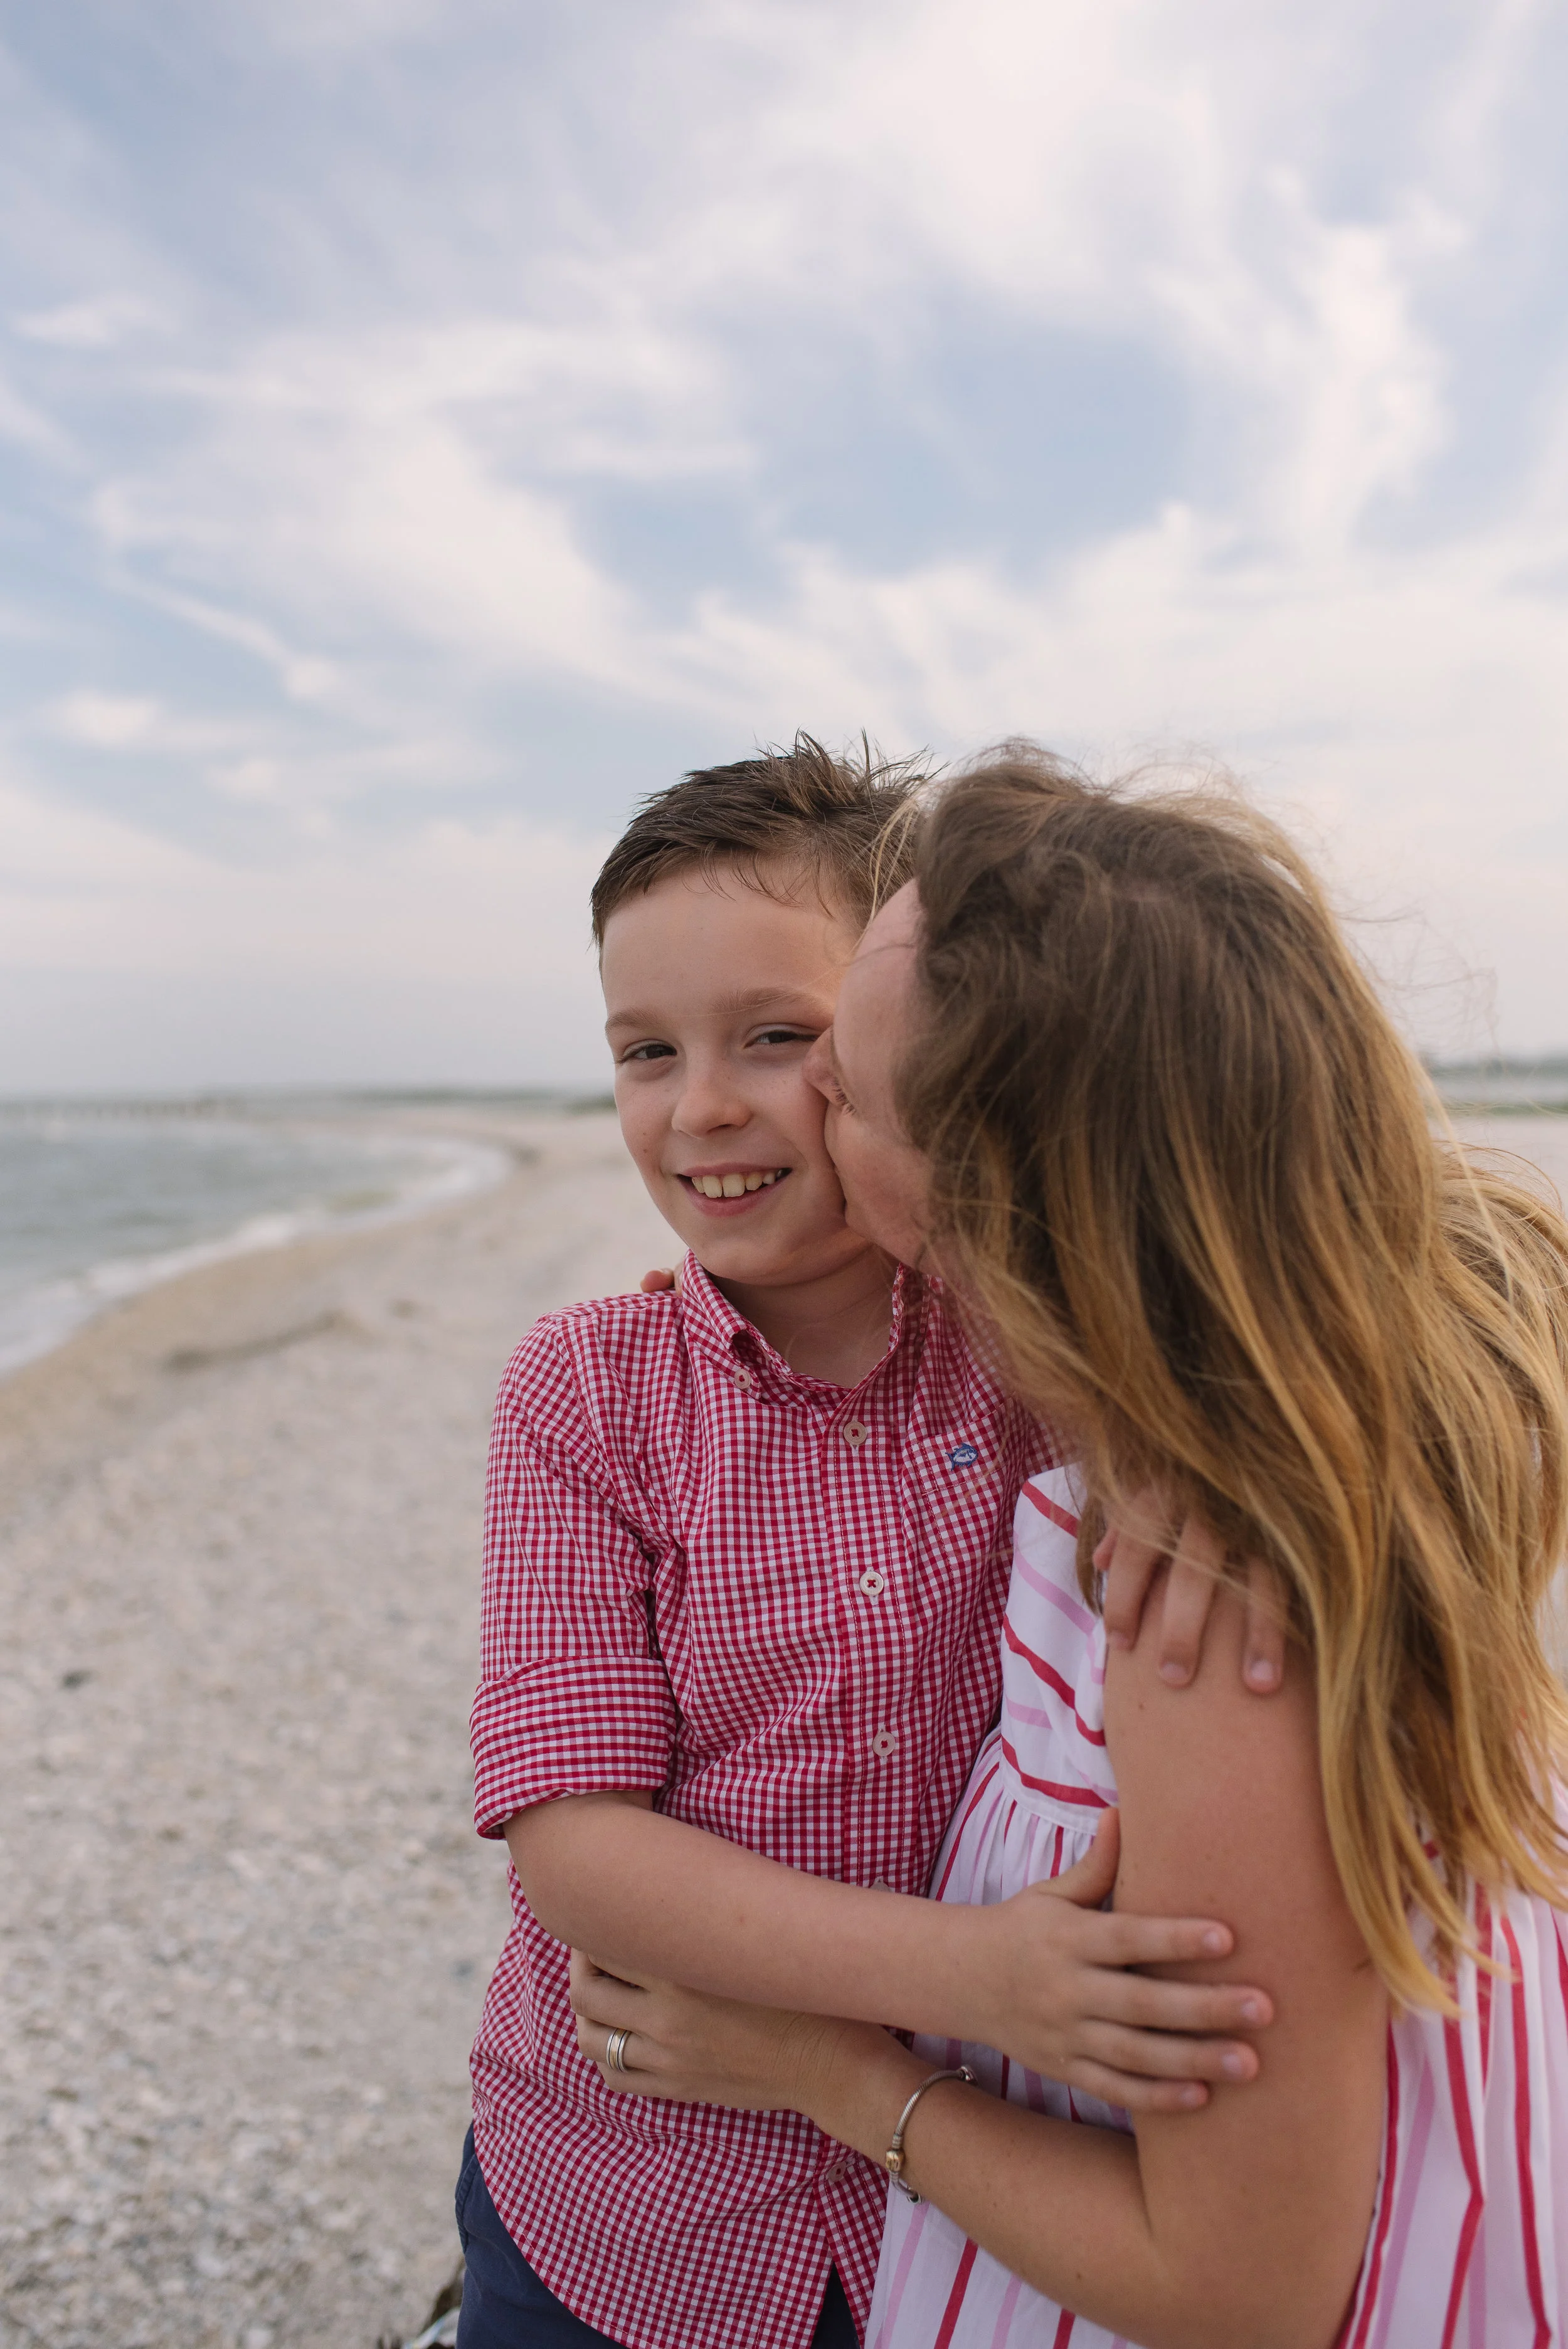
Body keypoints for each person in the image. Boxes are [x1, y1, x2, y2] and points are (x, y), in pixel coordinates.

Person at [571, 747, 1568, 2348]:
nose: (775, 1108)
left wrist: (826, 2068)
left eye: (836, 1079)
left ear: (990, 1202)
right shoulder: (1199, 1439)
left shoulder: (1205, 1617)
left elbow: (1236, 2288)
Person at [458, 741, 1279, 2349]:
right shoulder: (586, 1391)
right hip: (632, 2199)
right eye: (644, 1051)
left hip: (976, 2195)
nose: (702, 1105)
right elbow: (574, 1847)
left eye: (777, 1037)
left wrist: (1208, 1464)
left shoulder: (1039, 1353)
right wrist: (973, 1977)